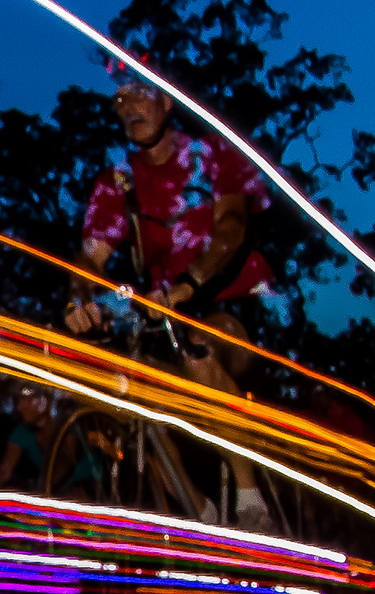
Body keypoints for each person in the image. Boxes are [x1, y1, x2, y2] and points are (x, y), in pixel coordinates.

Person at [63, 66, 278, 528]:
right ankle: (200, 510)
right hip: (165, 311)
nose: (129, 108)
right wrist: (77, 302)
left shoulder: (214, 155)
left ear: (166, 102)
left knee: (200, 352)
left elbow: (232, 229)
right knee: (127, 394)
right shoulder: (117, 181)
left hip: (231, 301)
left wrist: (188, 286)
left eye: (140, 94)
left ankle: (249, 498)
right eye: (119, 101)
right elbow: (91, 258)